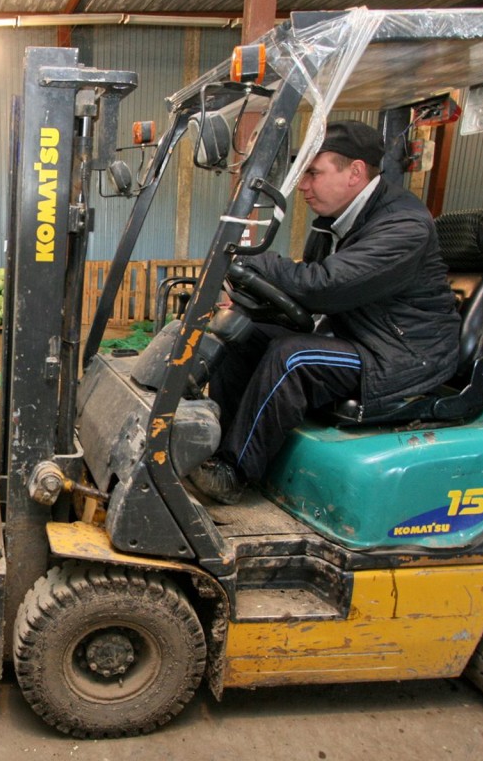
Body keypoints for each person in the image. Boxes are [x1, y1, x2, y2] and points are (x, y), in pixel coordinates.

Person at [190, 120, 461, 504]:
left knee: (294, 357)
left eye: (313, 174)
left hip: (406, 356)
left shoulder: (404, 226)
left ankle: (234, 472)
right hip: (362, 335)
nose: (303, 186)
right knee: (244, 333)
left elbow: (326, 286)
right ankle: (215, 445)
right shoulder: (334, 224)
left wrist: (255, 262)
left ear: (355, 172)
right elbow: (310, 293)